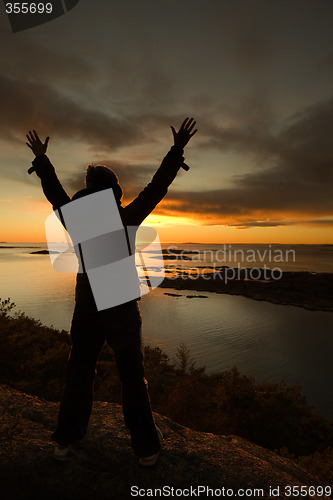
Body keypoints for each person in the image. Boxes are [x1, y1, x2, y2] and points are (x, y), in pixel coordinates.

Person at [26, 118, 197, 466]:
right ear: (115, 191)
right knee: (132, 373)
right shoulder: (125, 217)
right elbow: (156, 187)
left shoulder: (75, 216)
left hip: (87, 305)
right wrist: (177, 150)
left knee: (79, 370)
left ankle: (66, 440)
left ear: (88, 188)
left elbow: (53, 190)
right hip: (119, 304)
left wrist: (42, 160)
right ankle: (146, 448)